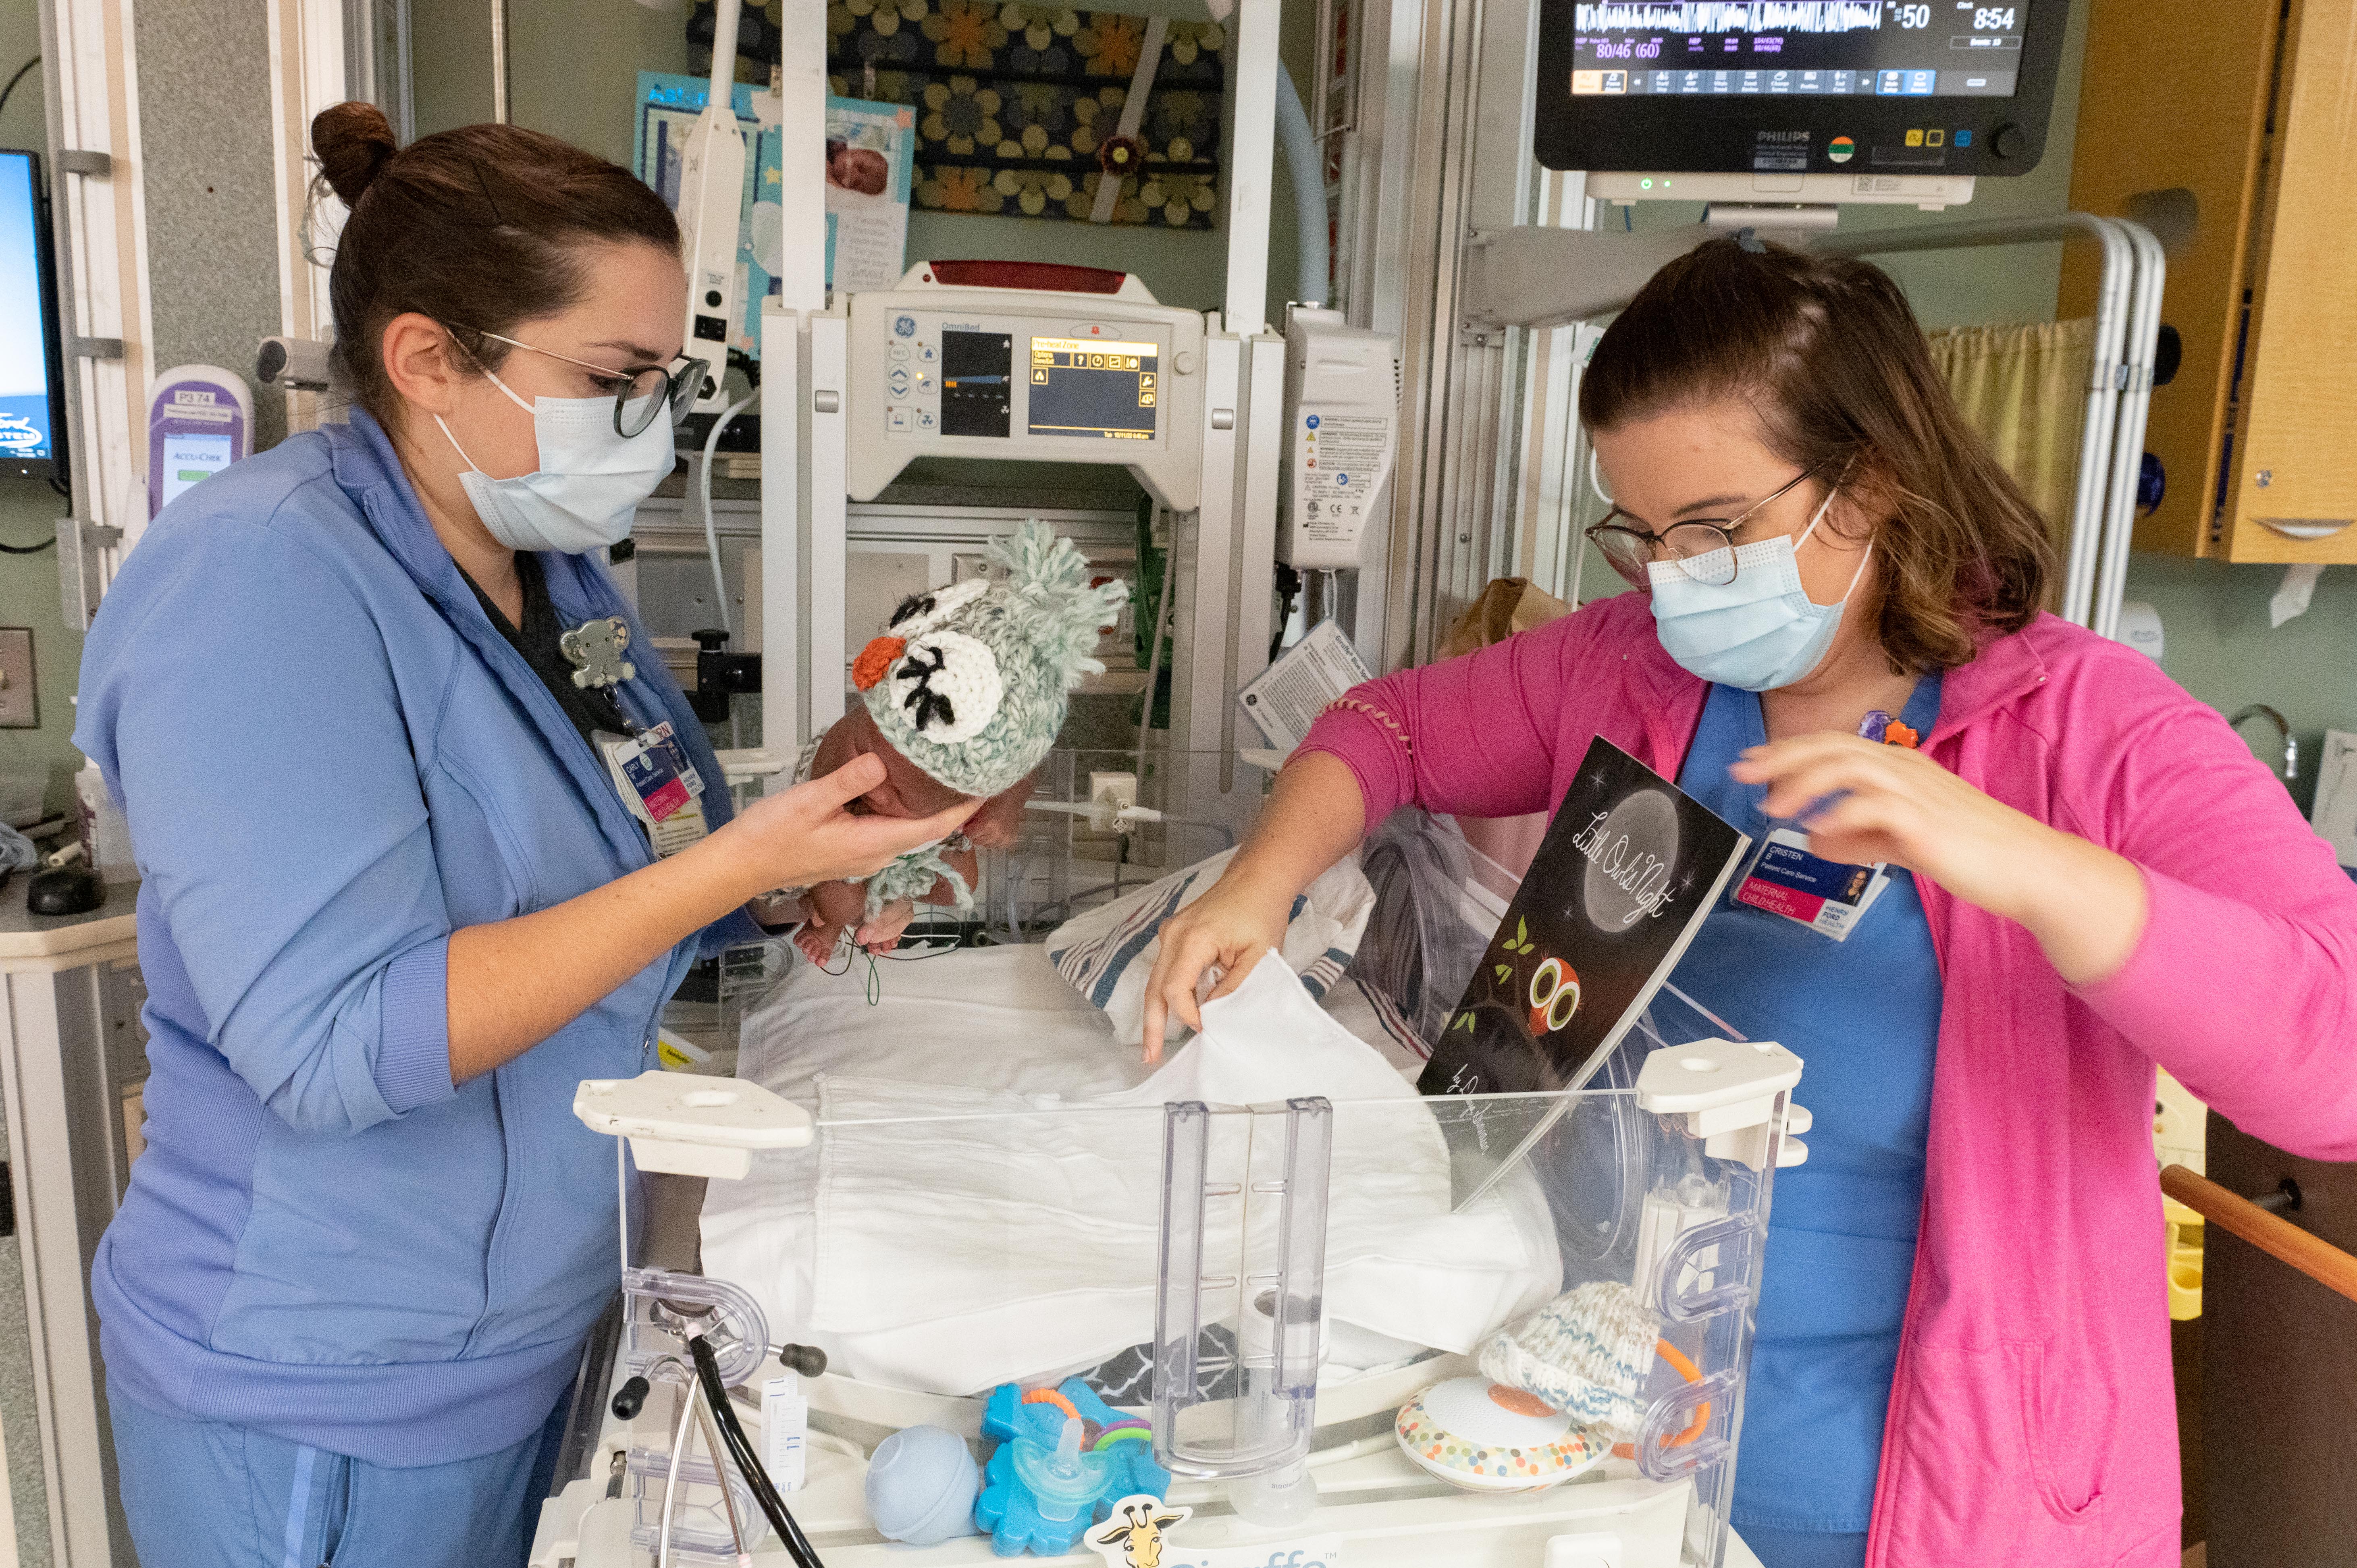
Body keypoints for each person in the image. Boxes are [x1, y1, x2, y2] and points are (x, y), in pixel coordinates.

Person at [1142, 237, 2357, 1566]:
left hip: (1929, 1496)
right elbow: (1386, 728)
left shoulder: (2088, 734)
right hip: (1587, 1435)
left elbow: (2331, 1063)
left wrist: (2023, 862)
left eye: (1714, 531)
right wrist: (1260, 885)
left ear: (1871, 484)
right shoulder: (1630, 674)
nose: (1670, 578)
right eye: (1641, 534)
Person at [73, 104, 973, 1568]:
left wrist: (796, 865)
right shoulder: (257, 587)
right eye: (616, 378)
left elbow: (649, 874)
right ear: (430, 358)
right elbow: (334, 1042)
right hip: (327, 1385)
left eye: (666, 377)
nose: (653, 420)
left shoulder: (553, 578)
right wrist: (728, 869)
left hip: (532, 1328)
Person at [782, 519, 1128, 964]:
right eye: (866, 749)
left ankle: (893, 898)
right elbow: (813, 833)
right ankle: (829, 923)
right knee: (841, 900)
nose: (871, 784)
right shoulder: (863, 730)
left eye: (899, 793)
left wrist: (1004, 809)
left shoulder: (985, 769)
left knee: (959, 884)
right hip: (835, 833)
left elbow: (1020, 770)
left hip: (924, 843)